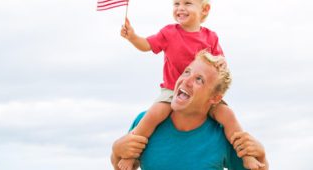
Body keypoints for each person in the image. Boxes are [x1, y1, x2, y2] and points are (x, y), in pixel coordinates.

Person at [119, 0, 262, 169]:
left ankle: (247, 156)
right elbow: (147, 45)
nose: (180, 8)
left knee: (228, 115)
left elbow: (220, 65)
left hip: (203, 95)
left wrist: (221, 65)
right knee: (153, 115)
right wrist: (133, 37)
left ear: (204, 10)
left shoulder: (210, 37)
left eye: (187, 3)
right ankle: (130, 156)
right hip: (172, 90)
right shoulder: (169, 33)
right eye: (176, 4)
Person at [111, 50, 269, 170]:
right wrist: (116, 150)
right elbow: (124, 165)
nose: (186, 81)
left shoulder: (222, 135)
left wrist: (261, 156)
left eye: (199, 79)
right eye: (187, 72)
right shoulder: (145, 122)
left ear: (214, 98)